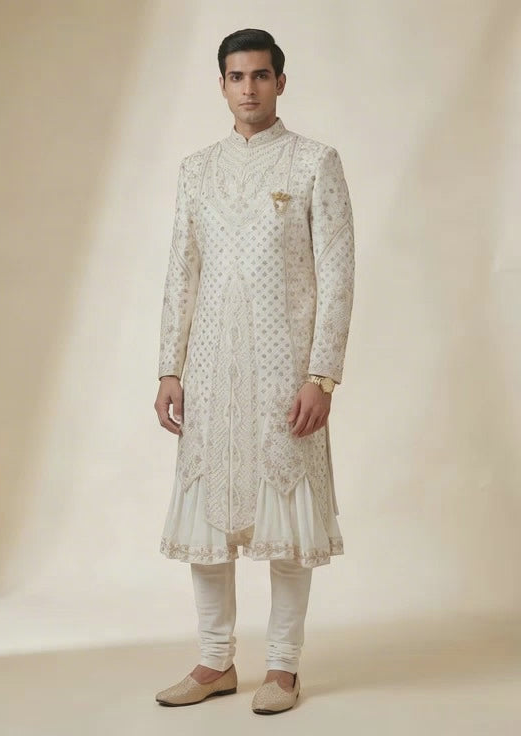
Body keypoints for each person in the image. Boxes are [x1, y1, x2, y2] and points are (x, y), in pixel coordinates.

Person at [153, 28, 355, 714]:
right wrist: (169, 367)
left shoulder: (314, 163)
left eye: (261, 75)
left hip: (284, 374)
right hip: (209, 372)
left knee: (287, 522)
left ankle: (282, 668)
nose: (249, 88)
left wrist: (321, 375)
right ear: (221, 85)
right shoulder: (196, 170)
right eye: (236, 77)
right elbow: (182, 272)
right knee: (208, 524)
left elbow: (338, 275)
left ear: (280, 82)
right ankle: (215, 662)